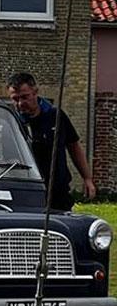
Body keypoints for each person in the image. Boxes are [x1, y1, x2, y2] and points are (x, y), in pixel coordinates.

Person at [6, 72, 95, 211]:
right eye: (15, 99)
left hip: (58, 192)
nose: (20, 103)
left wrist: (87, 178)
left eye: (25, 97)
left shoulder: (56, 116)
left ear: (35, 93)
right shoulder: (12, 124)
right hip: (29, 192)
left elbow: (74, 146)